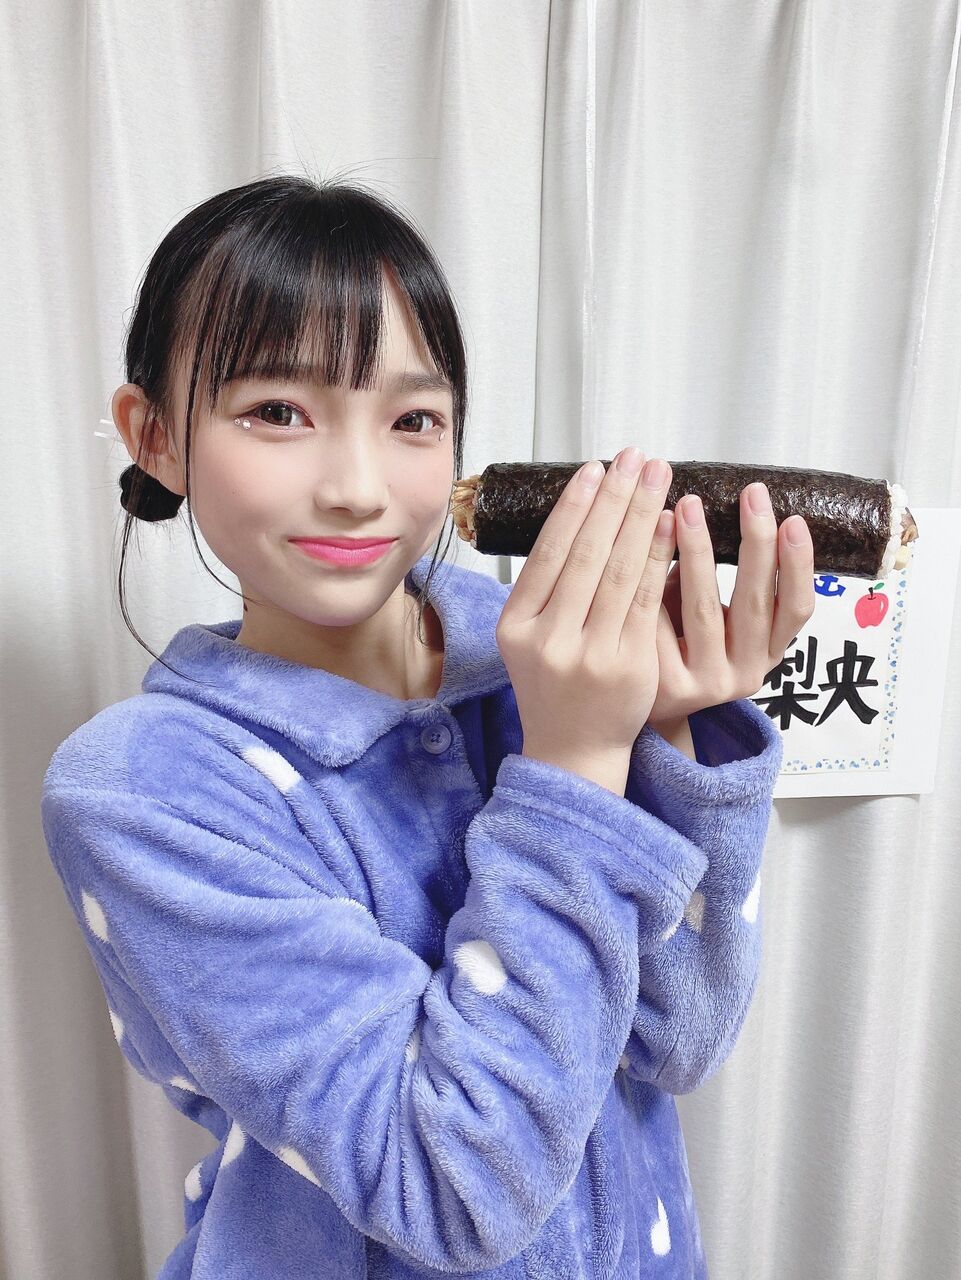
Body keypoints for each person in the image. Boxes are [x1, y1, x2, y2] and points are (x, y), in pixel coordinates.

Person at [40, 174, 815, 1279]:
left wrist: (671, 731)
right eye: (276, 411)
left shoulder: (544, 660)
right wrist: (577, 763)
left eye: (412, 420)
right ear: (155, 436)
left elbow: (679, 1036)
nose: (358, 487)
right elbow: (455, 1189)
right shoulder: (141, 789)